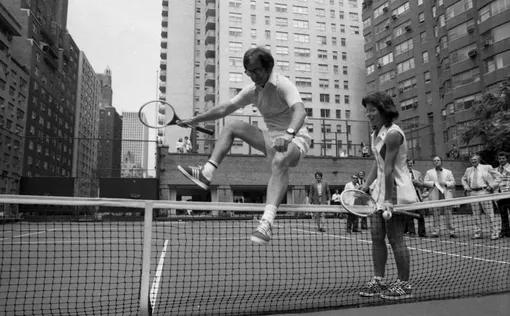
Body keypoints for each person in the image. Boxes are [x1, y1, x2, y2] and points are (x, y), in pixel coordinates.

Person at [176, 47, 311, 244]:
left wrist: (289, 135)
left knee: (280, 160)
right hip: (272, 138)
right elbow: (224, 108)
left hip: (297, 138)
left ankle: (266, 223)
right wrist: (194, 120)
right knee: (232, 125)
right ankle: (207, 172)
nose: (254, 76)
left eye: (257, 71)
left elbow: (300, 111)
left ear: (268, 67)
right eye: (249, 72)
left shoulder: (283, 85)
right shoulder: (252, 91)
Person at [358, 91, 418, 300]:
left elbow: (390, 169)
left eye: (372, 110)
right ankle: (379, 281)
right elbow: (378, 162)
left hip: (397, 193)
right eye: (367, 110)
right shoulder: (376, 133)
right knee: (376, 236)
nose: (368, 114)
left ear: (384, 110)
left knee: (395, 238)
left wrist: (389, 201)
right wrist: (366, 185)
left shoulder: (393, 134)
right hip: (379, 193)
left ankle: (404, 284)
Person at [461, 154, 502, 240]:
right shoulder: (468, 170)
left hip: (484, 192)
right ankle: (478, 233)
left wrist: (491, 186)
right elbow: (463, 179)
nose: (473, 161)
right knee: (476, 215)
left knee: (489, 214)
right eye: (471, 160)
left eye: (475, 159)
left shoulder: (487, 167)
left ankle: (494, 232)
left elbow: (499, 176)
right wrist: (466, 187)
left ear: (479, 160)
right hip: (473, 193)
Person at [423, 156, 456, 238]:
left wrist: (445, 183)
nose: (436, 162)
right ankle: (435, 232)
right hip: (435, 196)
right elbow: (425, 182)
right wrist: (433, 183)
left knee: (448, 214)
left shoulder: (448, 172)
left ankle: (451, 231)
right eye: (434, 161)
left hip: (446, 196)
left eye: (438, 160)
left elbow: (453, 183)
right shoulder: (429, 172)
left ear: (441, 162)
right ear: (433, 163)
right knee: (435, 215)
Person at [404, 158, 427, 237]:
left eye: (411, 163)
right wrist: (410, 182)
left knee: (421, 214)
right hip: (408, 195)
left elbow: (422, 184)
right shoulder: (402, 173)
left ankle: (422, 232)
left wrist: (418, 183)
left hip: (417, 195)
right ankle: (411, 232)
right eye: (408, 163)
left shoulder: (418, 173)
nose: (410, 164)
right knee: (410, 215)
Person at [496, 151, 510, 238]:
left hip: (509, 194)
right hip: (500, 195)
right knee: (503, 214)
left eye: (503, 158)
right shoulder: (496, 170)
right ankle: (505, 231)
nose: (501, 160)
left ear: (507, 159)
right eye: (500, 158)